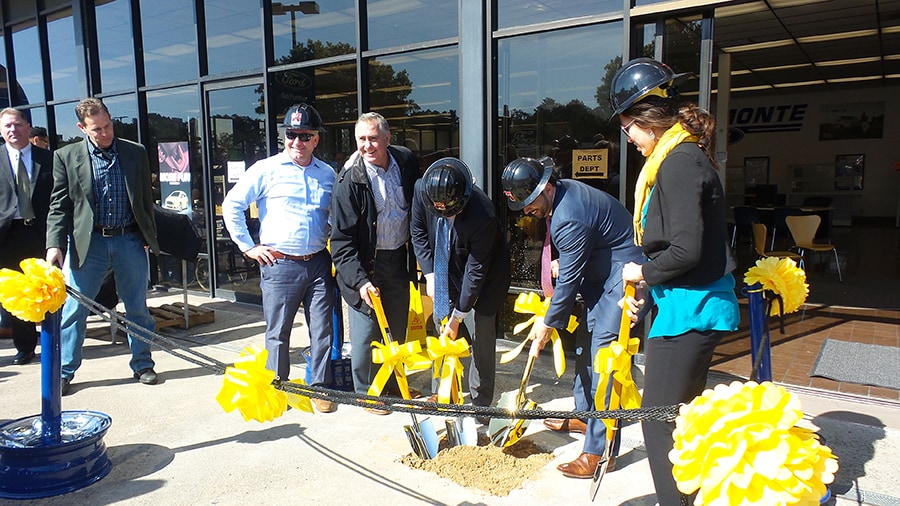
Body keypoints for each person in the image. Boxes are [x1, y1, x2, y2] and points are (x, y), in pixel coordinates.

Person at [610, 57, 740, 505]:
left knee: (657, 419)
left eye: (628, 127)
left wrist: (641, 272)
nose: (628, 138)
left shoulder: (679, 163)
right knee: (680, 418)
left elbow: (686, 250)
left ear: (647, 119)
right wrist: (648, 291)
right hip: (682, 304)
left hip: (693, 309)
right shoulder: (678, 157)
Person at [501, 156, 644, 479]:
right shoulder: (562, 197)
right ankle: (584, 415)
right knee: (585, 347)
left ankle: (599, 451)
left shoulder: (569, 216)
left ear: (547, 188)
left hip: (623, 279)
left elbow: (568, 282)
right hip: (601, 275)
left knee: (606, 359)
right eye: (521, 205)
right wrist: (564, 261)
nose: (526, 211)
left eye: (529, 202)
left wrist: (547, 323)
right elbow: (575, 258)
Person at [221, 103, 337, 414]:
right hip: (280, 263)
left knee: (322, 329)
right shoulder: (265, 169)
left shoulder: (327, 174)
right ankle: (278, 389)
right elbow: (232, 205)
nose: (297, 142)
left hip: (318, 262)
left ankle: (320, 387)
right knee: (278, 332)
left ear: (316, 139)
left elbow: (334, 216)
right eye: (291, 135)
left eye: (304, 136)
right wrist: (248, 247)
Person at [45, 97, 160, 396]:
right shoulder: (66, 157)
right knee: (75, 309)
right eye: (97, 129)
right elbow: (59, 206)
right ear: (82, 128)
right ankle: (65, 371)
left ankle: (143, 364)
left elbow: (144, 199)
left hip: (129, 240)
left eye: (108, 125)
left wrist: (147, 237)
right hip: (89, 242)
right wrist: (54, 245)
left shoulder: (135, 152)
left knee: (137, 307)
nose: (105, 133)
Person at [330, 112, 420, 411]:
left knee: (396, 327)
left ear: (387, 139)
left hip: (398, 258)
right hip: (366, 263)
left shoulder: (405, 161)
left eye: (373, 138)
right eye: (361, 139)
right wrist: (360, 281)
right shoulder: (349, 181)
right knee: (367, 331)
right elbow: (341, 241)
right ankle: (367, 392)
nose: (367, 146)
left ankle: (394, 385)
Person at [410, 157, 510, 411]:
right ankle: (444, 392)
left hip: (486, 277)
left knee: (481, 334)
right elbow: (418, 233)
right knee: (440, 323)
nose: (444, 214)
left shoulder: (483, 214)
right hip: (444, 267)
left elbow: (476, 273)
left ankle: (480, 401)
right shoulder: (422, 190)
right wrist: (431, 275)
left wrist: (458, 317)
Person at [0, 109, 53, 363]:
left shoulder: (49, 159)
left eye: (17, 124)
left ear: (28, 127)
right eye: (7, 126)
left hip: (42, 233)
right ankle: (25, 346)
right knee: (17, 292)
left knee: (49, 289)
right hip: (7, 235)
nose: (13, 130)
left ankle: (53, 343)